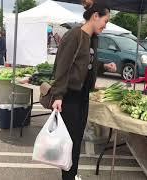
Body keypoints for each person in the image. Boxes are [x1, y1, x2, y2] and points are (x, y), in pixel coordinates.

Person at [50, 2, 116, 180]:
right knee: (69, 140)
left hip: (83, 96)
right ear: (95, 16)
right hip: (70, 97)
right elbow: (62, 67)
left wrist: (103, 66)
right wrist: (57, 95)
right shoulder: (74, 35)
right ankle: (68, 177)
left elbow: (85, 64)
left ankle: (72, 174)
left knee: (77, 139)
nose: (105, 25)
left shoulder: (93, 37)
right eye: (105, 20)